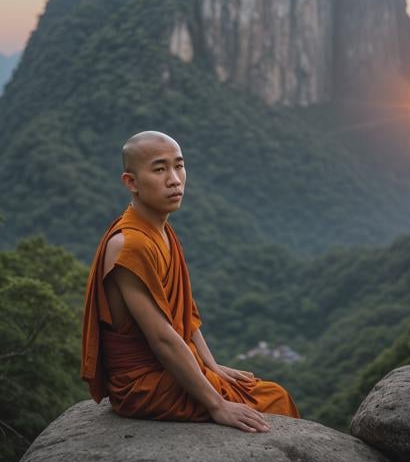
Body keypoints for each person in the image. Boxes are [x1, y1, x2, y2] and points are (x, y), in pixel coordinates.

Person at [81, 131, 300, 433]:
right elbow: (163, 338)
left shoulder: (161, 231)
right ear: (131, 182)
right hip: (144, 383)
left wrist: (211, 366)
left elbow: (185, 316)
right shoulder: (130, 246)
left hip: (170, 369)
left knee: (271, 393)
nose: (175, 179)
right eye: (160, 169)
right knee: (272, 402)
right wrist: (216, 404)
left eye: (179, 166)